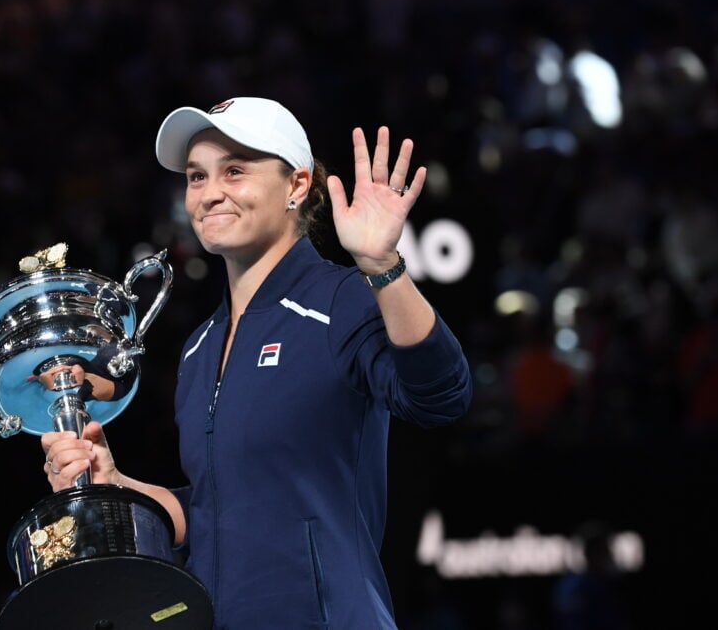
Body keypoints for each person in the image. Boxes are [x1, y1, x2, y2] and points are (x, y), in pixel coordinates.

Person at [41, 97, 473, 628]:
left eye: (235, 171)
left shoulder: (339, 299)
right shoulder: (199, 347)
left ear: (297, 185)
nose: (209, 193)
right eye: (197, 176)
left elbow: (441, 396)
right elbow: (213, 512)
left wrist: (383, 266)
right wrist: (116, 485)